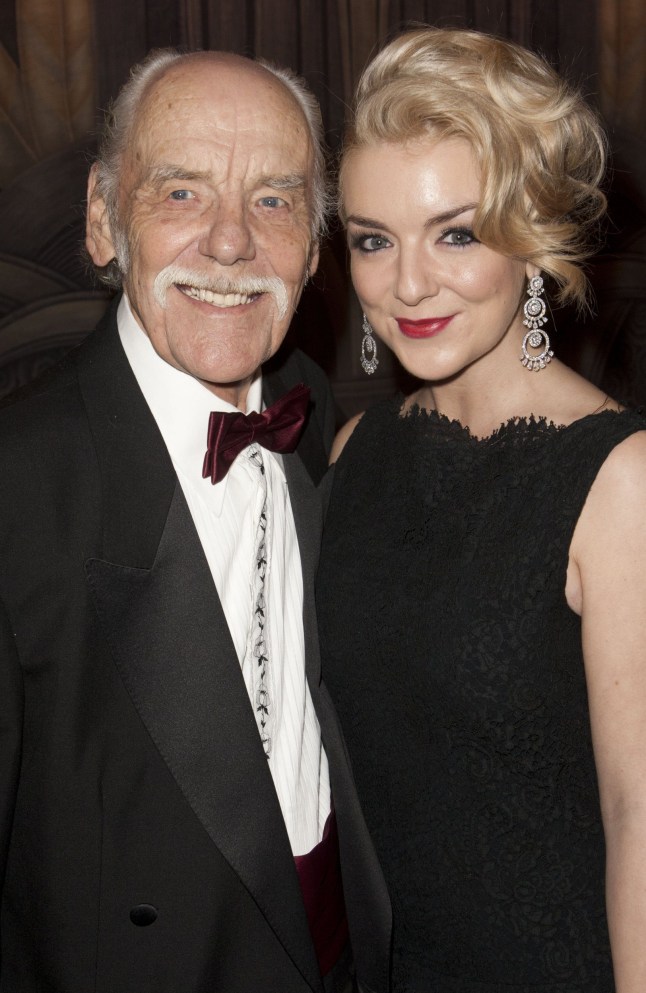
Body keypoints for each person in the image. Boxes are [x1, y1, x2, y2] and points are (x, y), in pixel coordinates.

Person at [0, 49, 391, 993]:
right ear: (102, 218)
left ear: (316, 240)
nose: (230, 244)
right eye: (180, 191)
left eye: (274, 199)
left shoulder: (309, 412)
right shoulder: (17, 490)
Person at [316, 26, 646, 993]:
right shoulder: (354, 453)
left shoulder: (620, 479)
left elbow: (639, 816)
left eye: (456, 232)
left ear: (533, 232)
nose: (408, 283)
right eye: (374, 240)